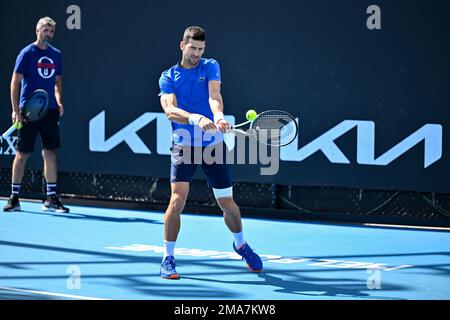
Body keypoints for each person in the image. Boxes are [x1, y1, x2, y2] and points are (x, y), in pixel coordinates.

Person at [158, 26, 262, 279]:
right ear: (182, 46)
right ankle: (168, 258)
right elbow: (170, 110)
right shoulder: (168, 76)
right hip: (183, 143)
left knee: (227, 204)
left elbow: (215, 96)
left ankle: (240, 245)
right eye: (192, 48)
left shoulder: (211, 66)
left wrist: (217, 116)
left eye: (201, 49)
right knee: (177, 200)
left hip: (212, 146)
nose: (196, 53)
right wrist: (195, 118)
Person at [3, 17, 69, 213]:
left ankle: (51, 197)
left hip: (49, 110)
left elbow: (57, 82)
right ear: (37, 31)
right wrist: (16, 110)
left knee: (50, 153)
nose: (48, 34)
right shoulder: (26, 53)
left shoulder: (56, 55)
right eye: (45, 30)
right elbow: (15, 83)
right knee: (22, 154)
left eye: (51, 31)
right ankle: (14, 197)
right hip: (28, 111)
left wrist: (58, 100)